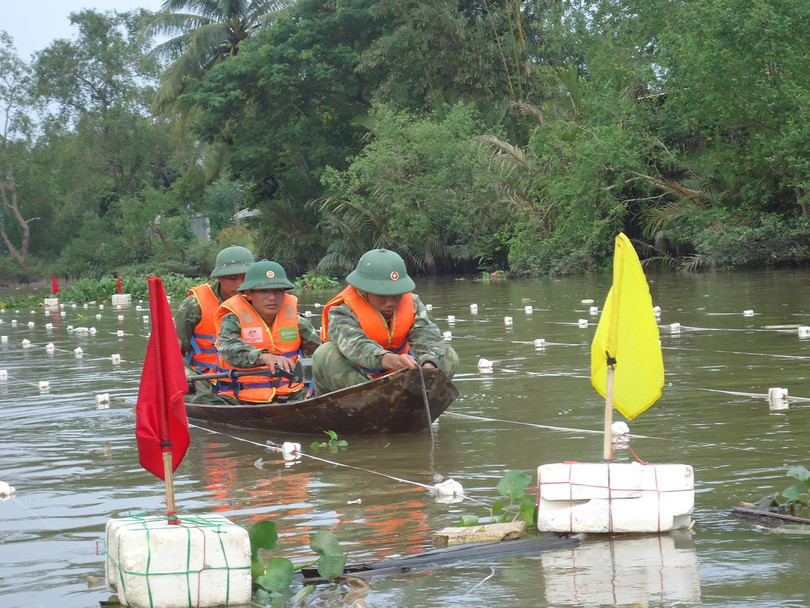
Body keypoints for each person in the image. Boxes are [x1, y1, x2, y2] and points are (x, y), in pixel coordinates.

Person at [312, 248, 458, 395]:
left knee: (447, 354)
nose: (391, 303)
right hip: (359, 382)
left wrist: (429, 364)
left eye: (396, 294)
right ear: (363, 291)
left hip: (397, 380)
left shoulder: (412, 303)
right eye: (382, 295)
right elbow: (356, 346)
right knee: (324, 353)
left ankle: (414, 401)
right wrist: (391, 360)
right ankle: (373, 405)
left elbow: (426, 334)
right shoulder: (341, 310)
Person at [215, 260, 321, 403]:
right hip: (240, 396)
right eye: (264, 291)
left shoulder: (296, 320)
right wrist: (264, 357)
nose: (272, 297)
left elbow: (318, 353)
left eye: (278, 290)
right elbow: (228, 349)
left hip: (291, 392)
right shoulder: (233, 319)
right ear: (249, 293)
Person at [174, 245, 254, 393]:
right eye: (233, 278)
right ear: (219, 277)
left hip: (253, 379)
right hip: (206, 381)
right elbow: (173, 352)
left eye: (246, 278)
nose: (240, 284)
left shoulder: (262, 300)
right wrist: (188, 376)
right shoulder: (194, 305)